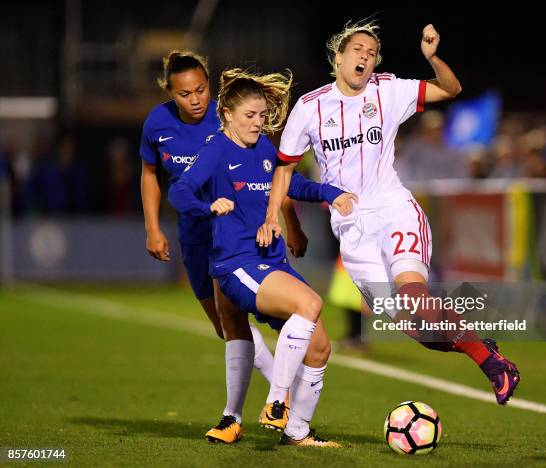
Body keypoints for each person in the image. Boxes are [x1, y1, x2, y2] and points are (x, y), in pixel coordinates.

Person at [260, 20, 521, 405]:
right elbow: (284, 170)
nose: (365, 57)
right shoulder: (310, 107)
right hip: (351, 229)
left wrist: (432, 59)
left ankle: (492, 364)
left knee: (415, 298)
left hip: (393, 210)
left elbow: (451, 89)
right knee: (416, 330)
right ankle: (479, 344)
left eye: (371, 52)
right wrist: (284, 222)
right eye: (357, 50)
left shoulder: (389, 90)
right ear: (338, 57)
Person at [169, 68, 356, 447]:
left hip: (270, 260)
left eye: (261, 116)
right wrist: (208, 207)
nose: (258, 123)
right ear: (227, 116)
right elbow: (181, 190)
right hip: (236, 262)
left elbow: (292, 184)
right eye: (249, 116)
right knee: (309, 303)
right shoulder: (217, 149)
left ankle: (297, 432)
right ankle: (275, 403)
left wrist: (331, 192)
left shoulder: (265, 149)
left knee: (320, 348)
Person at [140, 51, 307, 444]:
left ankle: (280, 402)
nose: (195, 99)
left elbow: (268, 174)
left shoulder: (231, 116)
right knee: (225, 327)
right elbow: (150, 173)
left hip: (236, 237)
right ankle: (277, 399)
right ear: (170, 92)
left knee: (248, 319)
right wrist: (152, 227)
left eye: (201, 89)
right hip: (194, 234)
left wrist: (291, 222)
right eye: (184, 93)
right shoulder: (157, 123)